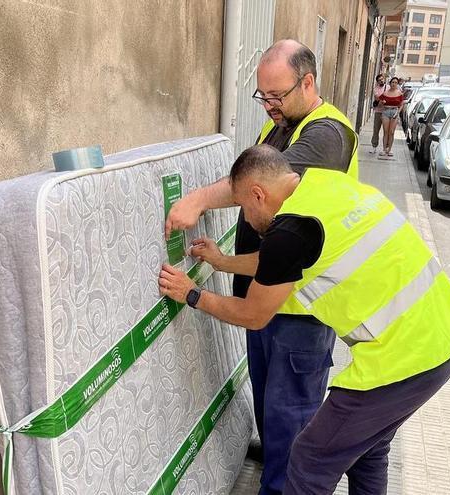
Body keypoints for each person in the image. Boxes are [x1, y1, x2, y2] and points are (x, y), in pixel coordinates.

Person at [158, 145, 450, 495]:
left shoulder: (290, 232)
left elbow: (254, 314)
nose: (247, 220)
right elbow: (283, 263)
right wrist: (223, 262)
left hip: (402, 362)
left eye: (245, 209)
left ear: (259, 195)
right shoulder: (327, 187)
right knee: (369, 451)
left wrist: (192, 294)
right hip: (445, 339)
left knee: (309, 458)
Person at [165, 39, 358, 495]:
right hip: (266, 294)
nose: (269, 105)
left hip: (298, 312)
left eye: (277, 96)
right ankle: (275, 471)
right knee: (272, 412)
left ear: (307, 82)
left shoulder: (327, 134)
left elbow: (259, 185)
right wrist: (222, 259)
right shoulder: (277, 127)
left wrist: (196, 200)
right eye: (262, 96)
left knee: (292, 422)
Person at [377, 77, 403, 157]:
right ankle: (384, 149)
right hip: (386, 111)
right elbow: (379, 105)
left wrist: (398, 112)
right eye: (392, 82)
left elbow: (402, 105)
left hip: (394, 112)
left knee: (391, 132)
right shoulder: (385, 93)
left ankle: (389, 150)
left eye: (395, 82)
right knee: (386, 131)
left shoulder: (399, 93)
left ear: (397, 84)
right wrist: (382, 102)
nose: (394, 84)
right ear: (390, 83)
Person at [370, 74, 386, 155]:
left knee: (387, 131)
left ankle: (386, 149)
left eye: (382, 79)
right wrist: (384, 99)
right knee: (376, 130)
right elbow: (377, 98)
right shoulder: (375, 88)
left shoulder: (388, 87)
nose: (382, 81)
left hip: (386, 112)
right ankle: (374, 146)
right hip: (378, 112)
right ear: (377, 81)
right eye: (380, 80)